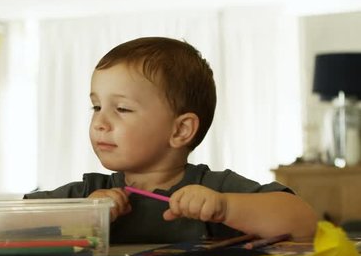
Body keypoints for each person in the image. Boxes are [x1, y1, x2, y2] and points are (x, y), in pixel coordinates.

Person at [25, 37, 318, 244]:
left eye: (122, 109)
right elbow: (0, 226)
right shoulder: (90, 193)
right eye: (96, 106)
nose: (100, 122)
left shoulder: (213, 189)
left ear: (180, 131)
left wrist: (225, 208)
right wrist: (80, 215)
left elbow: (304, 222)